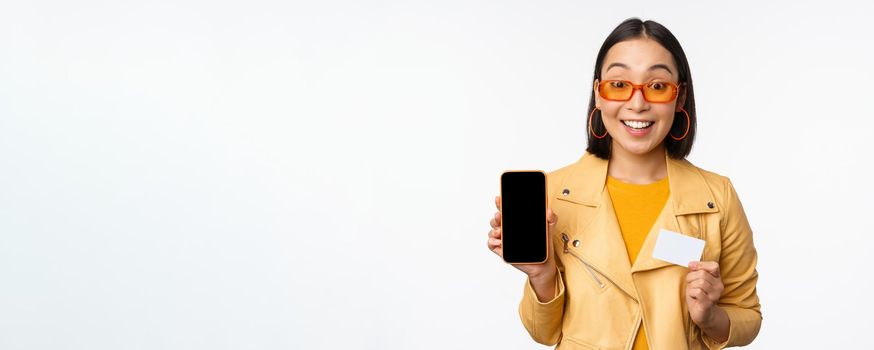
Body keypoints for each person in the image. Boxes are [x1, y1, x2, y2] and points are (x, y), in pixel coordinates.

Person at [486, 18, 761, 349]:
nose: (637, 102)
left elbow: (748, 315)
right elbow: (545, 333)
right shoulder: (554, 194)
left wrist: (710, 317)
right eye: (619, 85)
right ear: (598, 95)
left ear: (680, 97)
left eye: (657, 86)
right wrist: (541, 275)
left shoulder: (716, 198)